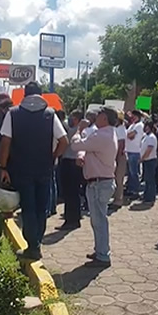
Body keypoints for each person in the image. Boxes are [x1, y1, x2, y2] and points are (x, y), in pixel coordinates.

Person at [0, 82, 68, 260]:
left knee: (28, 207)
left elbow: (5, 142)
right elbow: (64, 141)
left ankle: (32, 246)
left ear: (24, 95)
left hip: (21, 169)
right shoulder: (50, 114)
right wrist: (52, 157)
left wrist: (3, 167)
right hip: (44, 169)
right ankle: (36, 242)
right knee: (40, 208)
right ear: (41, 95)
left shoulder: (13, 114)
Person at [70, 106, 118, 267]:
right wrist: (82, 156)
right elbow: (87, 150)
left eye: (99, 115)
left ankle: (103, 255)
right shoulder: (106, 133)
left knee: (99, 221)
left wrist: (79, 130)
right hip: (100, 182)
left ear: (105, 118)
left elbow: (77, 145)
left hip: (99, 183)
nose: (96, 118)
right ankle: (100, 250)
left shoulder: (102, 135)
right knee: (98, 220)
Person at [57, 110, 84, 230]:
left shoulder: (76, 131)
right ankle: (73, 218)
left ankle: (71, 220)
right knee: (72, 193)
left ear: (76, 119)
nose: (70, 119)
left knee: (71, 193)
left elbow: (66, 141)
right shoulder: (78, 129)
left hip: (71, 162)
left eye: (72, 117)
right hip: (72, 162)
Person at [125, 110, 144, 197]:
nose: (132, 118)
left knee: (134, 172)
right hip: (129, 150)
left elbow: (130, 135)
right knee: (130, 172)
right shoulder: (133, 125)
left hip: (135, 151)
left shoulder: (139, 125)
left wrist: (129, 135)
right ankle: (131, 188)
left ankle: (135, 190)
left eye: (134, 116)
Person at [111, 112, 127, 209]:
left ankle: (118, 200)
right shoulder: (116, 128)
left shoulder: (121, 129)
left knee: (119, 179)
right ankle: (116, 198)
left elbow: (121, 144)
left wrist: (116, 157)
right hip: (115, 155)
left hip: (119, 156)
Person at [140, 120, 158, 204]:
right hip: (146, 160)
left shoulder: (151, 137)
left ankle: (150, 197)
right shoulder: (146, 136)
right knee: (147, 179)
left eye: (147, 126)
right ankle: (146, 195)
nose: (145, 127)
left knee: (150, 180)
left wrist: (142, 158)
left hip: (150, 160)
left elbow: (149, 149)